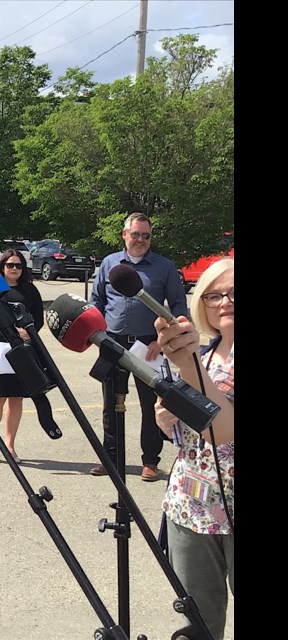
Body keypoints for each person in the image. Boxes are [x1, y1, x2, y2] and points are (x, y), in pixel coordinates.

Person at [154, 258, 234, 639]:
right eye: (214, 295)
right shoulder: (202, 357)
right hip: (192, 511)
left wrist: (186, 366)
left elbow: (226, 430)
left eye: (234, 293)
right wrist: (166, 419)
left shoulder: (192, 362)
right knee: (199, 626)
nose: (224, 303)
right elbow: (189, 437)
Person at [88, 212, 188, 481]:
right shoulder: (110, 263)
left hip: (148, 345)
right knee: (111, 404)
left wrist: (162, 340)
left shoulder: (164, 267)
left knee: (150, 405)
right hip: (112, 343)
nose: (141, 240)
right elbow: (96, 302)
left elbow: (179, 308)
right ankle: (110, 458)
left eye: (146, 236)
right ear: (124, 235)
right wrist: (97, 334)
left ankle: (150, 462)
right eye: (136, 235)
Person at [0, 249, 44, 465]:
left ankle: (9, 445)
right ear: (2, 267)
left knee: (16, 399)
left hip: (24, 350)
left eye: (18, 265)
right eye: (10, 265)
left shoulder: (30, 290)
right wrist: (12, 331)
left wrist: (29, 332)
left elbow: (38, 318)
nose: (14, 269)